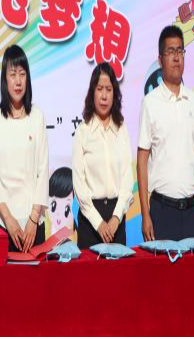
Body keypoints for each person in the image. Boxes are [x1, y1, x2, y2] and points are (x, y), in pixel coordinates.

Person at [137, 25, 194, 242]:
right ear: (160, 59)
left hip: (191, 211)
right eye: (171, 51)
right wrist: (145, 214)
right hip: (161, 211)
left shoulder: (193, 101)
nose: (177, 57)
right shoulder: (150, 103)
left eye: (180, 51)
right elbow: (142, 161)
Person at [0, 45, 49, 253]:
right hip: (4, 223)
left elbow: (43, 170)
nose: (18, 81)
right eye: (12, 74)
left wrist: (33, 219)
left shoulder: (37, 117)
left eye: (22, 74)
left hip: (33, 223)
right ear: (5, 79)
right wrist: (9, 220)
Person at [73, 63, 134, 249]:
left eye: (109, 89)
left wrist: (116, 217)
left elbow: (127, 179)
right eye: (99, 89)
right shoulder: (83, 132)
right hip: (90, 221)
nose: (104, 96)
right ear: (92, 92)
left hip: (117, 219)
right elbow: (79, 184)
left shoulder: (121, 130)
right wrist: (98, 223)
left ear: (115, 93)